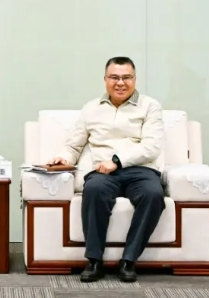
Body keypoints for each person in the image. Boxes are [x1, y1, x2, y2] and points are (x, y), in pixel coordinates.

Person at [48, 56, 165, 283]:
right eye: (114, 77)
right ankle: (94, 260)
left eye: (126, 77)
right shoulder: (91, 108)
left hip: (140, 170)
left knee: (153, 194)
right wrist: (63, 158)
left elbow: (151, 146)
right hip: (103, 172)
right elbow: (73, 145)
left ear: (135, 79)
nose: (120, 83)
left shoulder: (150, 106)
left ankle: (129, 260)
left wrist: (117, 161)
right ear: (105, 80)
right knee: (93, 191)